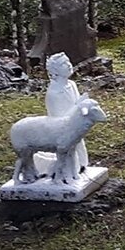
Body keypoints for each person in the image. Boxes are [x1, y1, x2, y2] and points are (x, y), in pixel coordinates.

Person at [44, 52, 87, 180]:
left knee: (80, 146)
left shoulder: (71, 84)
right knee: (69, 151)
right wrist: (78, 106)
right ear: (55, 70)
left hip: (75, 125)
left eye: (68, 62)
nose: (69, 65)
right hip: (63, 130)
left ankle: (82, 165)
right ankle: (69, 170)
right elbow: (59, 119)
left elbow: (79, 103)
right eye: (64, 64)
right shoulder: (54, 92)